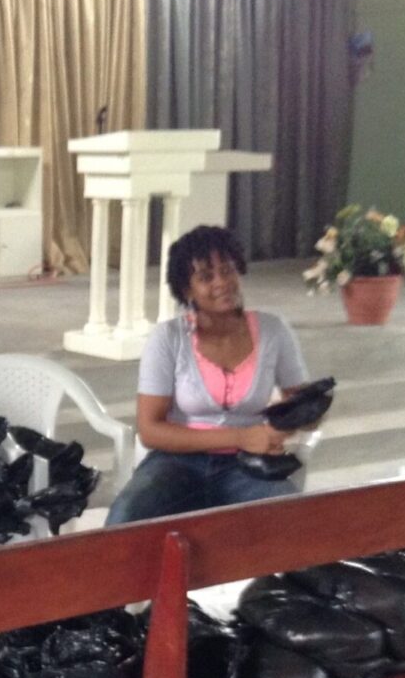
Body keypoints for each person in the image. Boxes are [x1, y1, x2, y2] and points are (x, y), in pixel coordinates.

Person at [106, 225, 313, 525]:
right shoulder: (168, 338)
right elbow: (150, 430)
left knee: (296, 522)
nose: (222, 282)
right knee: (126, 517)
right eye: (206, 276)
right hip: (177, 463)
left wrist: (283, 428)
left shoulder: (273, 330)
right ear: (187, 289)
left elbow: (301, 405)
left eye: (227, 270)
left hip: (250, 465)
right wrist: (242, 436)